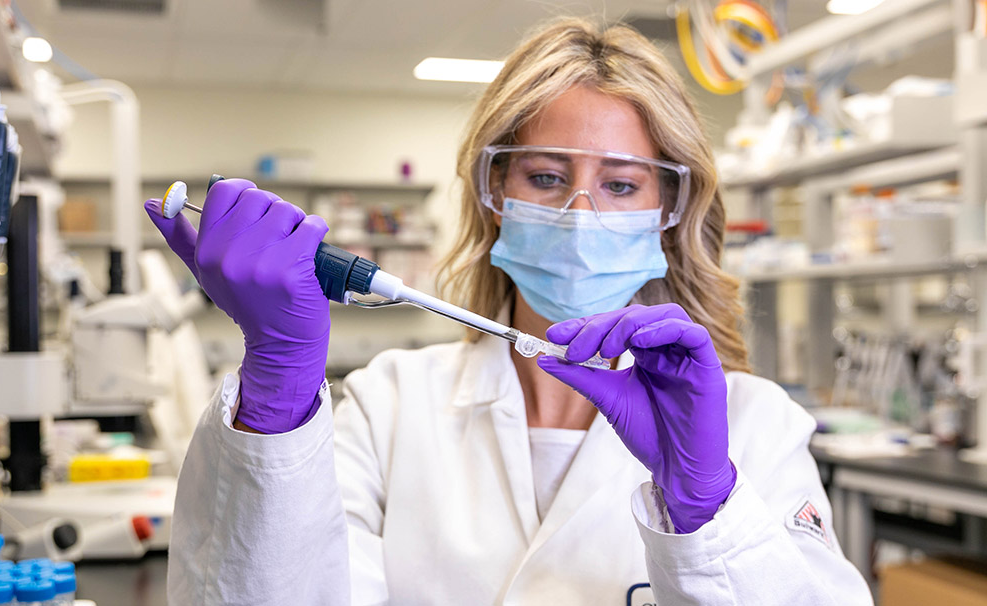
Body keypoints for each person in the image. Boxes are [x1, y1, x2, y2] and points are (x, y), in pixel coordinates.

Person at [147, 18, 873, 605]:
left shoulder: (754, 426)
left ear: (670, 212)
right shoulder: (391, 404)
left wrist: (706, 505)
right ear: (495, 193)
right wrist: (274, 396)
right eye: (547, 176)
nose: (581, 212)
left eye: (622, 186)